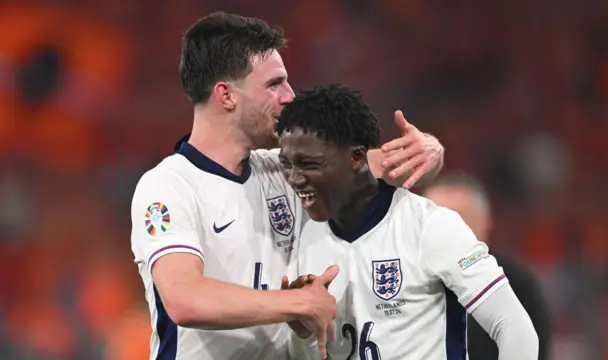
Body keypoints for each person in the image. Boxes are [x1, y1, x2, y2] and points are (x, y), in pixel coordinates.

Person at [130, 12, 445, 360]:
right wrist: (297, 302)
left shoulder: (283, 170)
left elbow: (394, 165)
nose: (290, 96)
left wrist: (430, 149)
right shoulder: (168, 187)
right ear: (226, 95)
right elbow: (185, 300)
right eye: (274, 84)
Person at [279, 84, 538, 360]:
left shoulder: (429, 226)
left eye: (309, 164)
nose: (294, 178)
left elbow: (514, 328)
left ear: (356, 157)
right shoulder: (306, 238)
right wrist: (302, 330)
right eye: (287, 164)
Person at [424, 172, 550, 360]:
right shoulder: (399, 278)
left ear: (486, 221)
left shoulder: (517, 285)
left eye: (458, 219)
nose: (446, 231)